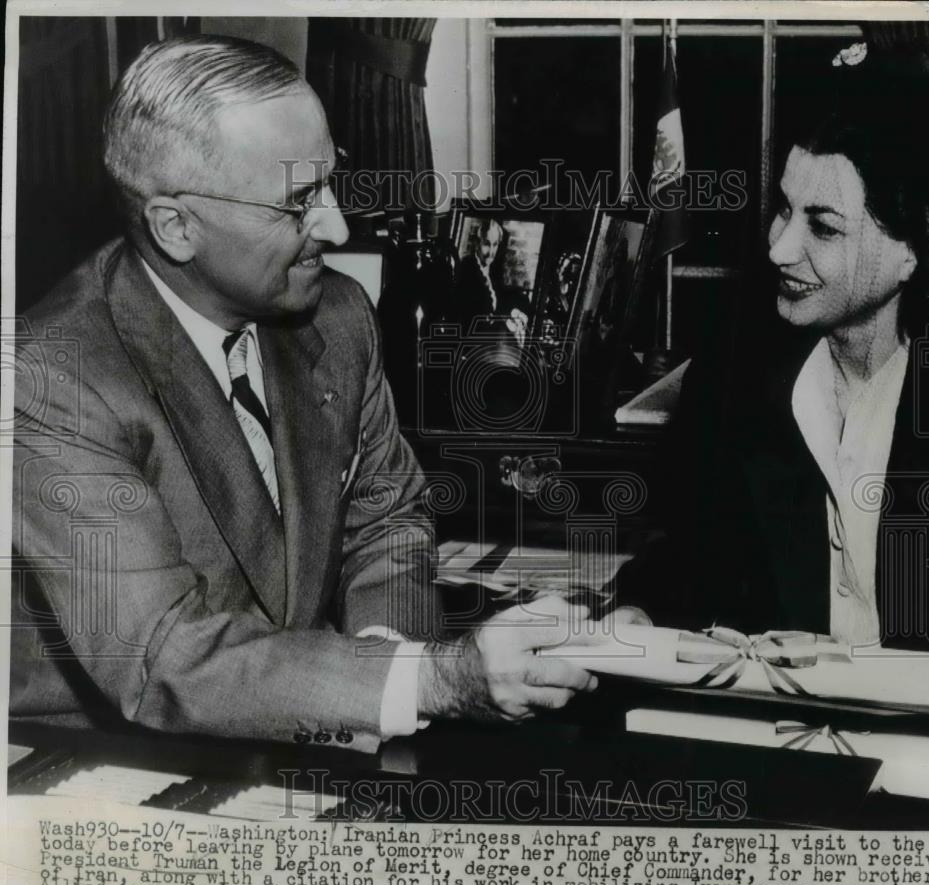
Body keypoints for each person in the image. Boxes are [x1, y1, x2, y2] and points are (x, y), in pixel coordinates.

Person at [10, 35, 606, 752]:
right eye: (298, 202)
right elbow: (161, 656)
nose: (338, 224)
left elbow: (386, 518)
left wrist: (379, 668)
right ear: (176, 226)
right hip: (94, 759)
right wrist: (432, 679)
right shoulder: (52, 378)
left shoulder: (339, 315)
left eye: (330, 181)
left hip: (286, 733)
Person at [616, 84, 929, 654]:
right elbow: (690, 553)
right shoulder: (734, 375)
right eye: (784, 209)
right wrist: (637, 613)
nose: (779, 249)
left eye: (824, 226)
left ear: (913, 249)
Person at [454, 219, 529, 345]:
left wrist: (514, 312)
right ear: (477, 243)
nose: (491, 252)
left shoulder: (493, 271)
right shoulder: (466, 269)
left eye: (495, 245)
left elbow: (500, 302)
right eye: (487, 244)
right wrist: (503, 322)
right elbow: (473, 319)